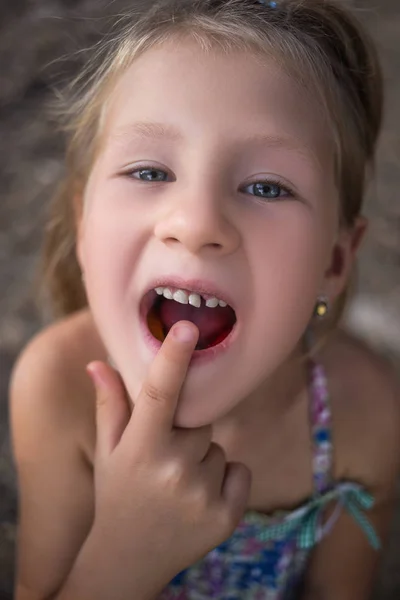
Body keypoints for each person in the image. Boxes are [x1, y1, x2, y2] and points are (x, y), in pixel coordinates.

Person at [9, 0, 400, 598]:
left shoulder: (366, 413)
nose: (195, 222)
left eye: (267, 186)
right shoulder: (56, 388)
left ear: (335, 261)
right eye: (149, 172)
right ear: (81, 223)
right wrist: (122, 558)